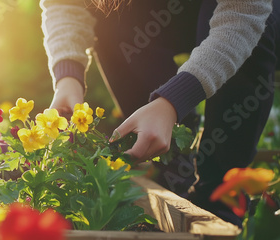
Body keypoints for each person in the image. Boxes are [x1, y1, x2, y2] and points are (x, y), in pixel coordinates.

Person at [40, 0, 280, 227]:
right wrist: (68, 77)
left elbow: (243, 16)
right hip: (162, 16)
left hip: (248, 14)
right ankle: (173, 173)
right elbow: (64, 3)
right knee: (112, 14)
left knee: (261, 25)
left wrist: (172, 102)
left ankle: (220, 196)